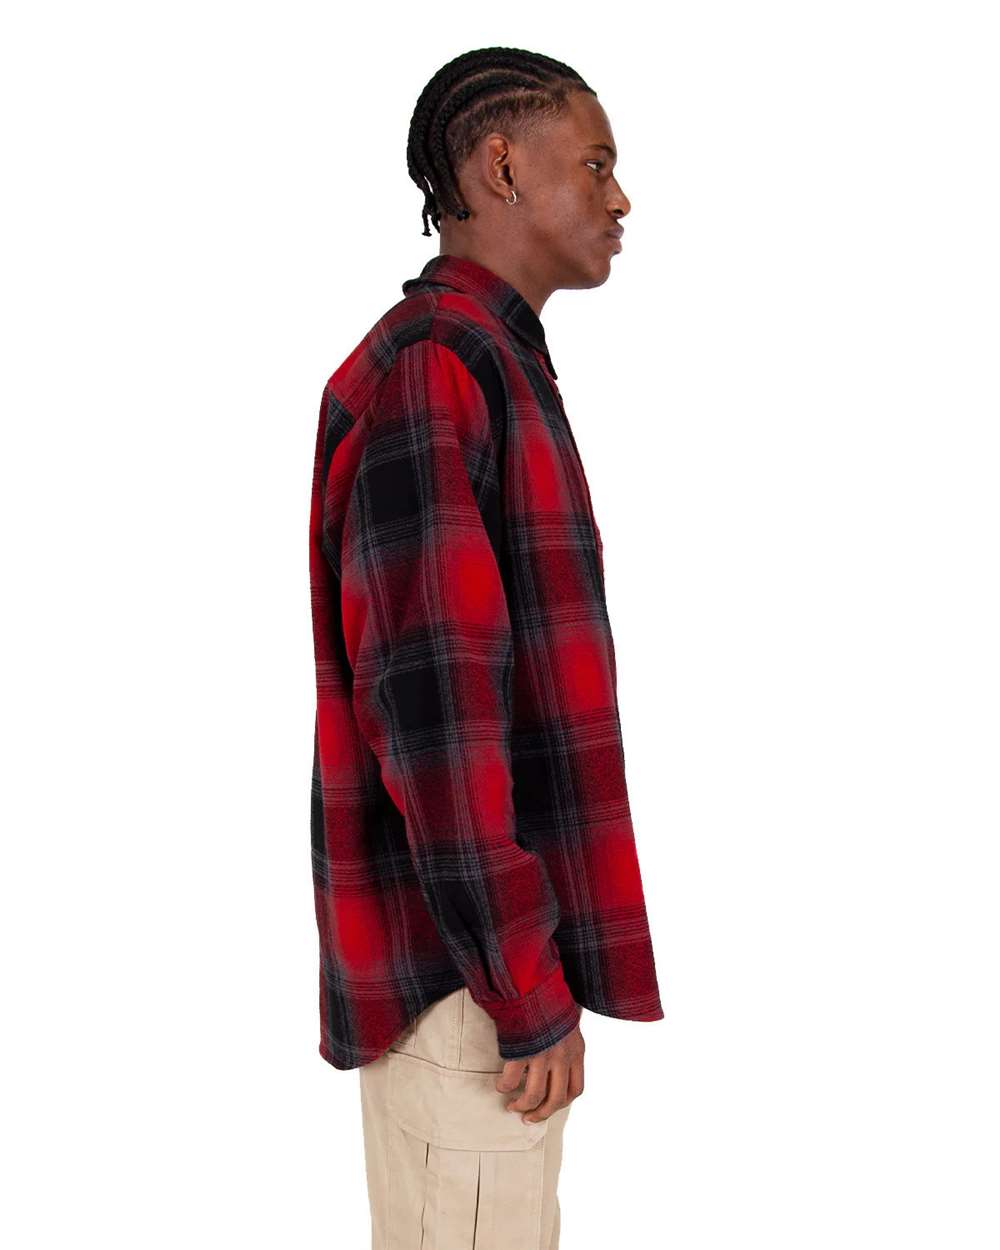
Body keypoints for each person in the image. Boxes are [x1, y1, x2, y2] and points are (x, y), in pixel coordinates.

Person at [307, 45, 664, 1249]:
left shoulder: (483, 363)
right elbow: (433, 715)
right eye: (596, 164)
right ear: (502, 166)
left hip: (483, 975)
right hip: (468, 988)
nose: (620, 197)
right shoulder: (437, 371)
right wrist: (519, 978)